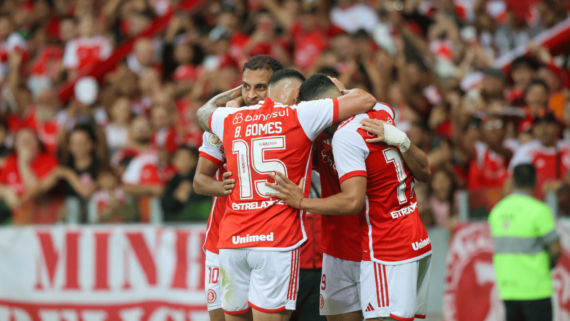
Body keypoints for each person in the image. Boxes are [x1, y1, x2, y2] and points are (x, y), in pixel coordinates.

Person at [196, 69, 377, 321]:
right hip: (275, 240)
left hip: (231, 242)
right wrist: (338, 89)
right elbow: (367, 100)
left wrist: (236, 95)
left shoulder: (231, 117)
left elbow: (202, 113)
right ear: (295, 97)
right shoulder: (300, 114)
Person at [264, 75, 432, 321]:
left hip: (381, 243)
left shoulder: (348, 133)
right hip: (343, 246)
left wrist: (301, 201)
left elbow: (353, 200)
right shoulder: (380, 111)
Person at [193, 55, 283, 321]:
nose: (251, 95)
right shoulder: (225, 122)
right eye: (246, 87)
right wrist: (225, 188)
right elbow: (200, 181)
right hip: (222, 242)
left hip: (270, 242)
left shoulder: (289, 121)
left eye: (260, 87)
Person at [489, 164, 560, 321]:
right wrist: (549, 264)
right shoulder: (540, 210)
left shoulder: (497, 211)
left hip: (508, 289)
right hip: (536, 289)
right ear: (535, 181)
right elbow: (555, 248)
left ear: (513, 181)